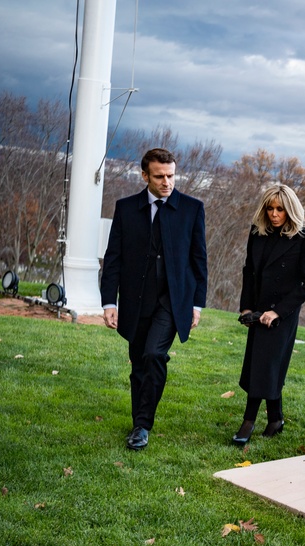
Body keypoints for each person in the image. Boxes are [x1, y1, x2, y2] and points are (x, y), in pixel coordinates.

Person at [100, 147, 208, 451]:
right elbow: (114, 259)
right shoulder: (125, 208)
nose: (167, 182)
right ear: (145, 175)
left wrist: (196, 304)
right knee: (138, 362)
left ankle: (143, 426)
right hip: (136, 300)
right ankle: (139, 422)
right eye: (160, 176)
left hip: (173, 302)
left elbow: (199, 260)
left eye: (171, 175)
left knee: (153, 355)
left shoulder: (192, 209)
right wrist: (110, 302)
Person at [232, 183, 305, 444]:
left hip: (283, 313)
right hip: (257, 309)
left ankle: (248, 421)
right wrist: (247, 307)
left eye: (280, 208)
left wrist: (277, 312)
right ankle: (275, 419)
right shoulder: (257, 233)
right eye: (270, 208)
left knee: (266, 365)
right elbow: (249, 270)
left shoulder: (304, 239)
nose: (274, 213)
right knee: (263, 365)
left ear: (290, 209)